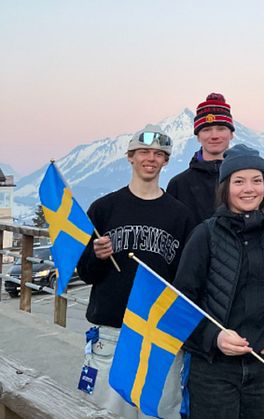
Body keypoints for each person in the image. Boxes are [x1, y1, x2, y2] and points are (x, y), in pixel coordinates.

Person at [173, 144, 264, 419]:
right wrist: (214, 337)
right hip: (214, 370)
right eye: (239, 181)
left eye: (257, 180)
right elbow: (181, 303)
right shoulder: (204, 236)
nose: (249, 189)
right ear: (225, 187)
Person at [77, 125, 196, 418]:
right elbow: (86, 273)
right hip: (112, 333)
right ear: (130, 156)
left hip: (159, 335)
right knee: (103, 413)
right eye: (143, 152)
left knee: (159, 414)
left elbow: (185, 279)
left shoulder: (180, 215)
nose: (151, 159)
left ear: (166, 161)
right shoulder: (104, 208)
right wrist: (96, 256)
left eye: (159, 154)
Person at [167, 92, 235, 223]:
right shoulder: (179, 185)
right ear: (198, 136)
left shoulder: (245, 179)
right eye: (206, 129)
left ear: (231, 134)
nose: (214, 135)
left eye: (221, 129)